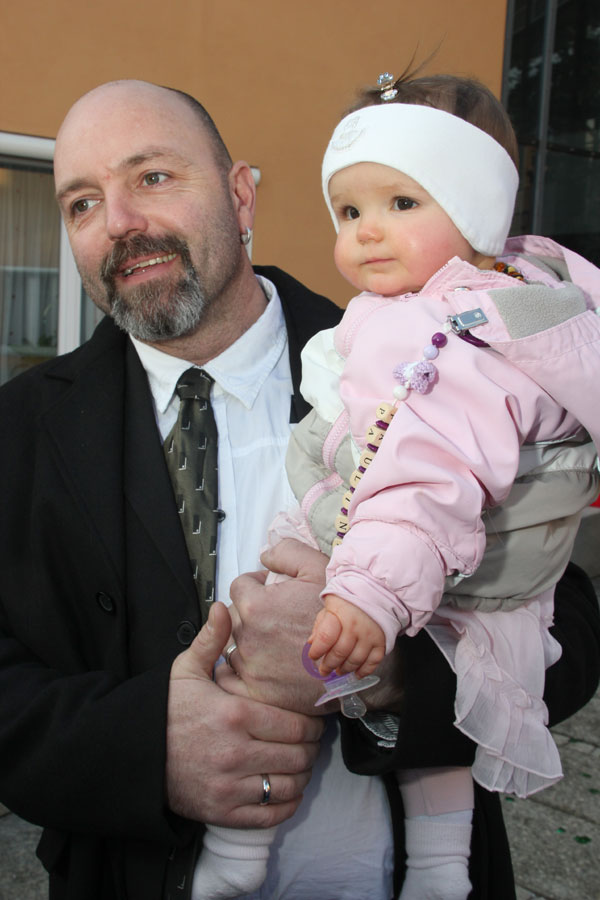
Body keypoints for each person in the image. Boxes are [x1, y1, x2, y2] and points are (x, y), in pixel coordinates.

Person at [0, 77, 598, 900]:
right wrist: (149, 748)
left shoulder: (440, 358)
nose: (120, 221)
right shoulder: (21, 429)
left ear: (242, 195)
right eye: (81, 203)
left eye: (153, 176)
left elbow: (572, 629)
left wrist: (388, 671)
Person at [202, 72, 600, 900]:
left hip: (388, 553)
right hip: (448, 572)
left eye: (403, 202)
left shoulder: (446, 336)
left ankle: (236, 851)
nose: (367, 232)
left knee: (272, 670)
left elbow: (418, 473)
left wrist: (369, 596)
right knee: (437, 715)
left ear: (480, 210)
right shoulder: (527, 301)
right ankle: (441, 869)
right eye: (349, 211)